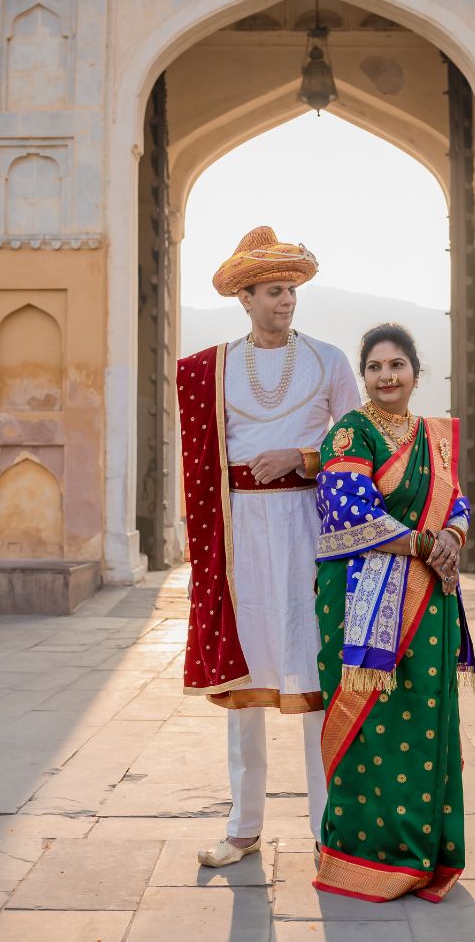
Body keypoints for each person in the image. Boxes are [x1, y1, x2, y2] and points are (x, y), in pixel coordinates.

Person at [177, 226, 359, 868]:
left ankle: (327, 830)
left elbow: (360, 444)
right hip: (241, 537)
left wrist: (304, 456)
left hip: (311, 527)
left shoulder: (330, 360)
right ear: (246, 298)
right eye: (274, 291)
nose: (286, 301)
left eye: (291, 290)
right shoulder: (214, 367)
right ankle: (242, 827)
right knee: (243, 678)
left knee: (314, 676)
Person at [311, 322, 475, 903]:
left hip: (428, 601)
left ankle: (422, 853)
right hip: (362, 600)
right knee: (367, 729)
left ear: (415, 372)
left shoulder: (432, 436)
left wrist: (453, 533)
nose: (387, 376)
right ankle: (358, 857)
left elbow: (457, 498)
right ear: (364, 376)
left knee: (423, 720)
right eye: (376, 367)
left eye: (397, 366)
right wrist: (426, 545)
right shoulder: (349, 435)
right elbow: (349, 508)